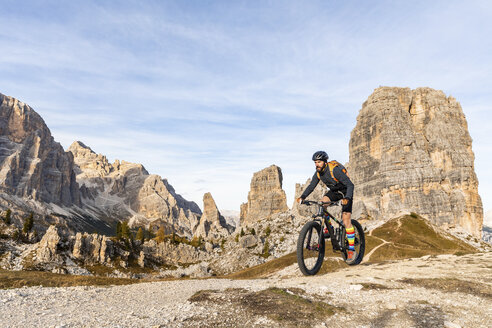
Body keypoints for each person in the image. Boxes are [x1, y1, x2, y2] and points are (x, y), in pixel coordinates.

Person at [297, 151, 356, 261]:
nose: (316, 164)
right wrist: (303, 197)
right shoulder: (318, 173)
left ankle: (352, 250)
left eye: (319, 162)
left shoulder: (335, 170)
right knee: (322, 202)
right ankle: (329, 228)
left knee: (346, 220)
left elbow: (350, 185)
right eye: (315, 162)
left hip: (345, 192)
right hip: (334, 192)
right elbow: (311, 186)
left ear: (324, 162)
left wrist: (347, 198)